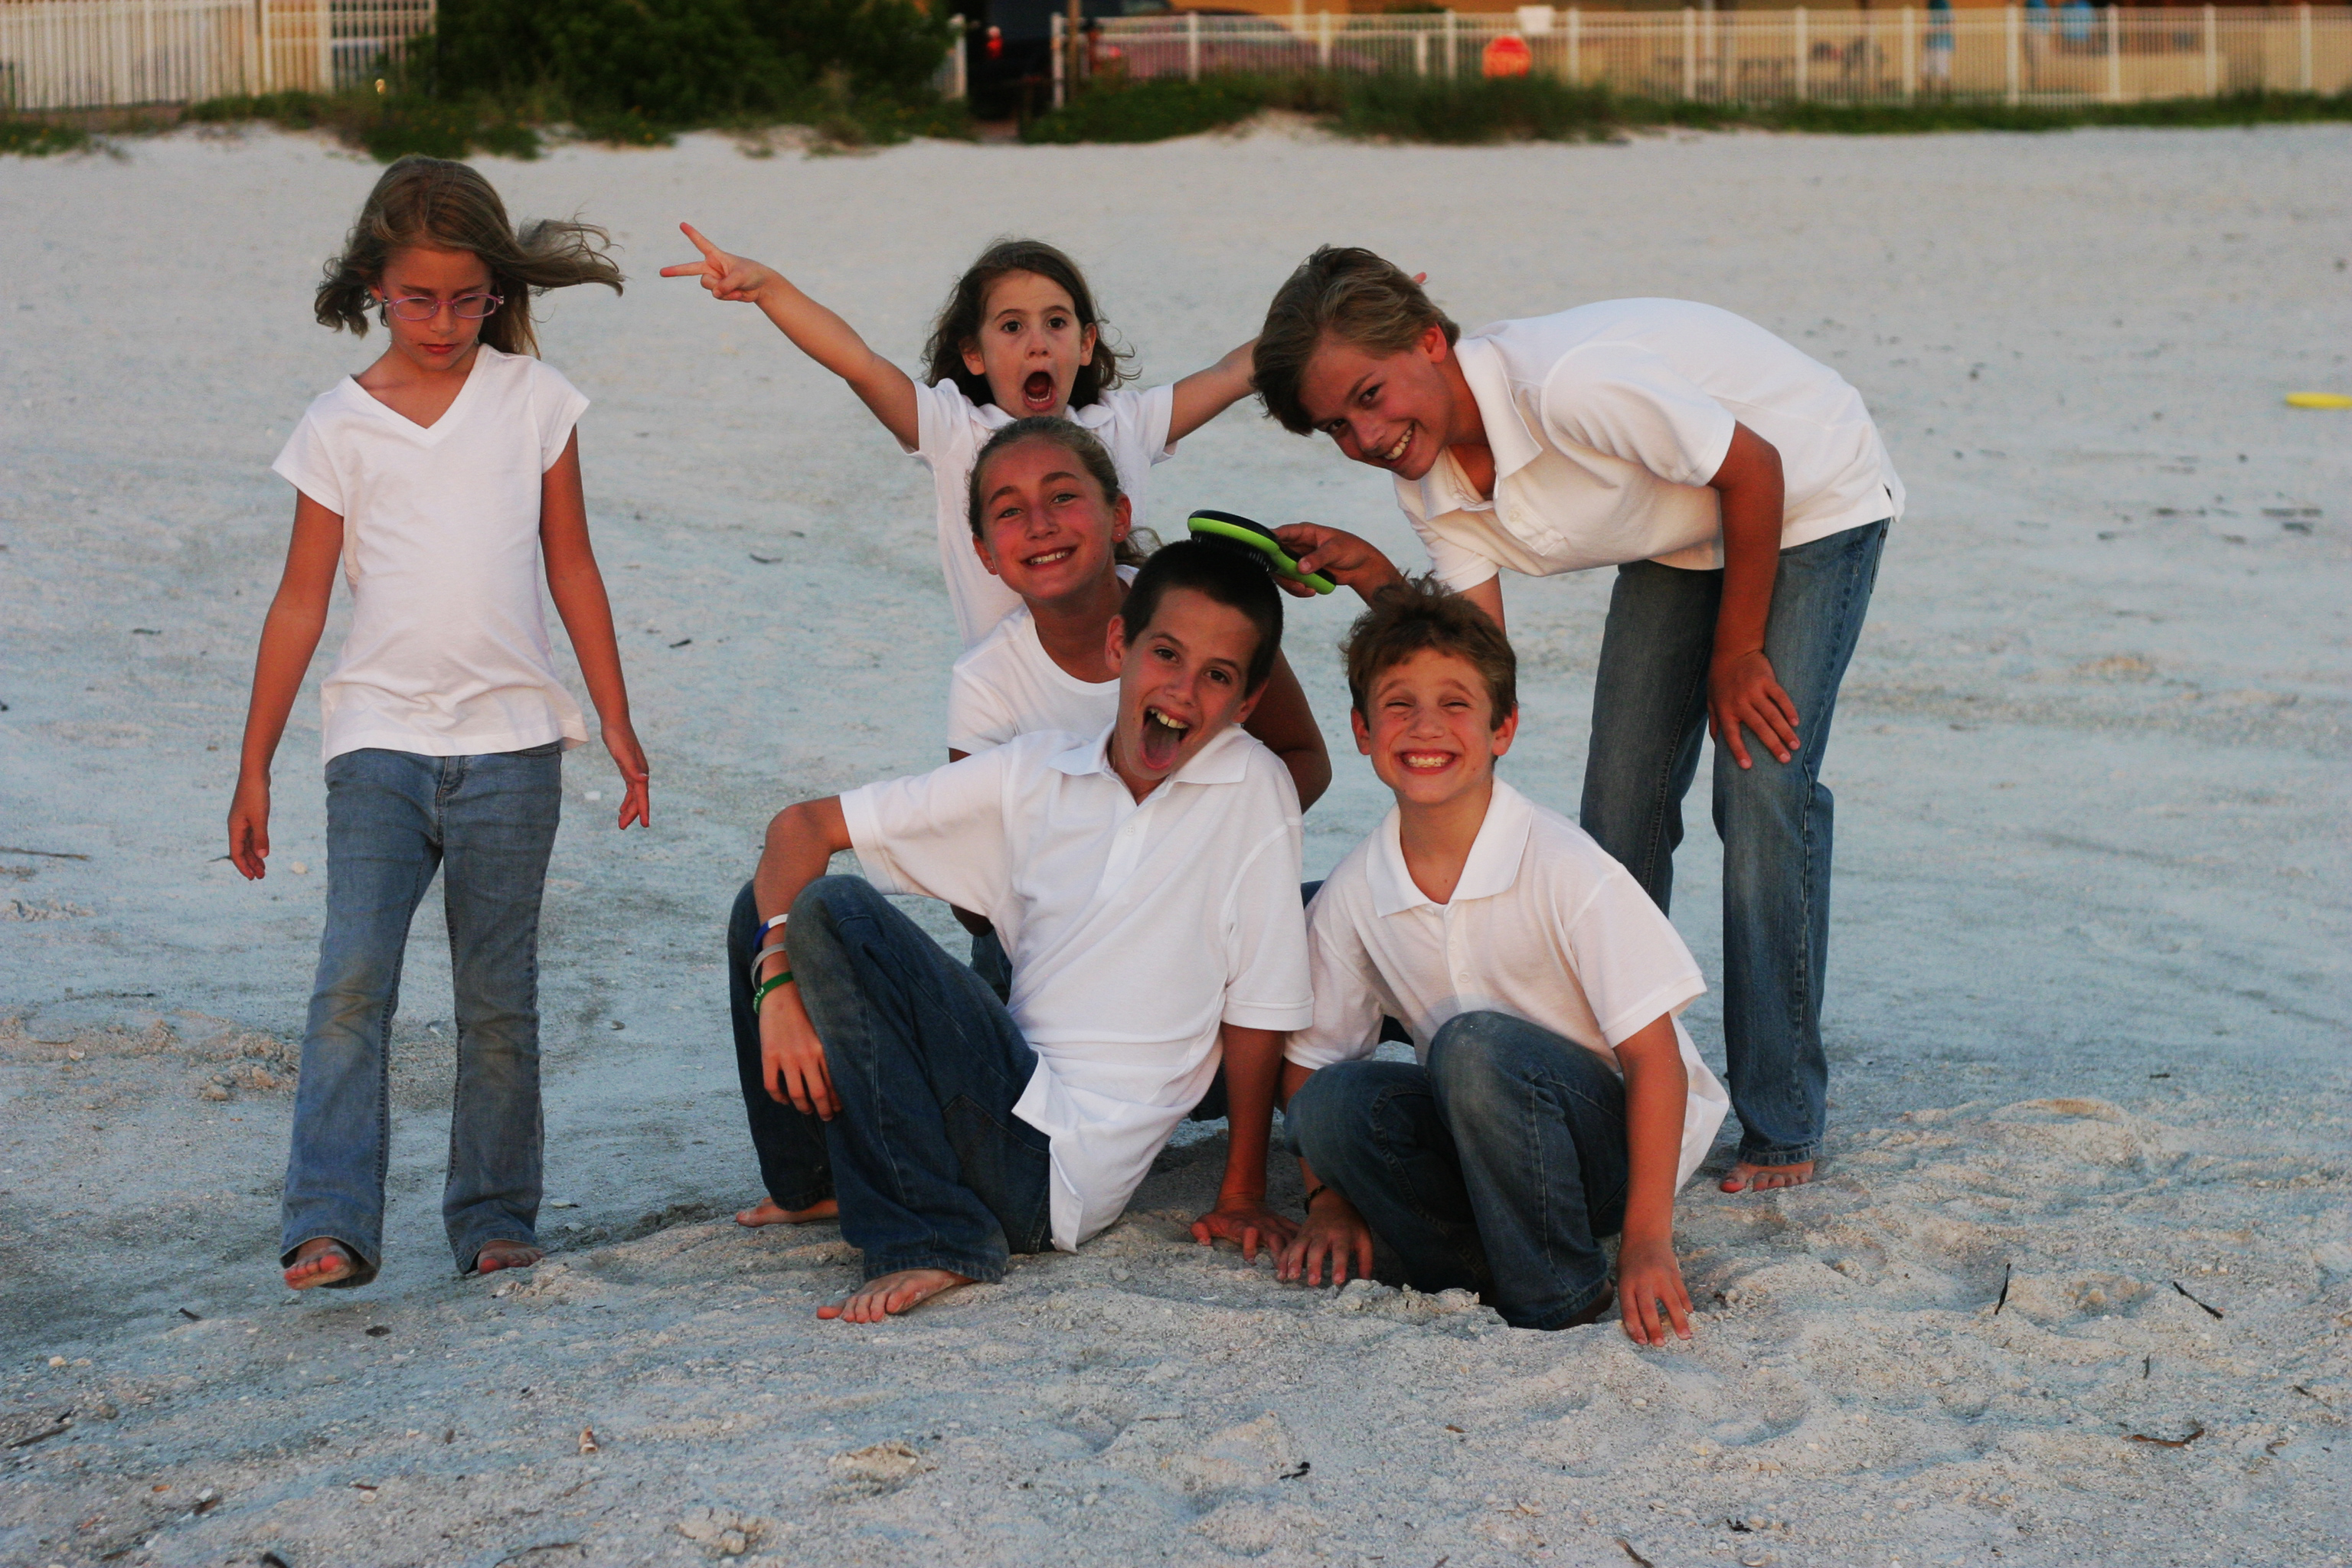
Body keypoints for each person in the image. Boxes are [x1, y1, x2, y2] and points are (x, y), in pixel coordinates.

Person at [1252, 247, 1900, 1197]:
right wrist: (1373, 574)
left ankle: (1781, 1117)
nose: (1368, 434)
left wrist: (1738, 650)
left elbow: (1754, 466)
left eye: (1371, 396)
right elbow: (1474, 667)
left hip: (1802, 492)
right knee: (1621, 803)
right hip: (1682, 530)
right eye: (1337, 426)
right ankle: (1611, 1081)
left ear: (1429, 343)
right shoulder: (1429, 484)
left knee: (1760, 782)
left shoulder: (1568, 385)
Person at [724, 421, 1331, 1231]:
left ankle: (928, 1231)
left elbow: (1261, 990)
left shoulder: (1235, 741)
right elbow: (865, 858)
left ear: (1117, 515)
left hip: (1094, 1092)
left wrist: (1195, 855)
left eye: (1063, 498)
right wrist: (777, 985)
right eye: (1011, 511)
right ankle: (816, 1181)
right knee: (774, 907)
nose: (1184, 687)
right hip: (1029, 979)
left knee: (837, 912)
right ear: (1122, 648)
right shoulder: (1022, 739)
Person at [228, 156, 649, 1292]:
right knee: (351, 982)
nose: (445, 321)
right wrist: (254, 763)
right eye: (419, 297)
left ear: (496, 290)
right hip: (375, 744)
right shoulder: (337, 425)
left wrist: (615, 717)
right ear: (375, 283)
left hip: (513, 746)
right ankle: (329, 1220)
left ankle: (495, 1216)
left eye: (469, 298)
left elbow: (572, 563)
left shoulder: (535, 401)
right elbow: (300, 600)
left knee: (497, 998)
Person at [1276, 580, 1726, 1341]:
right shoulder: (1355, 892)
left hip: (1612, 1157)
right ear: (1361, 729)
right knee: (1332, 1102)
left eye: (1455, 703)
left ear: (1502, 728)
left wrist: (1648, 1239)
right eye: (1398, 704)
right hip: (1484, 1150)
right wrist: (1329, 1201)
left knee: (1473, 1045)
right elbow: (1311, 1067)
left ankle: (1559, 1294)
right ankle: (1476, 1267)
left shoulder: (1565, 867)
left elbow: (1655, 1060)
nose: (1426, 726)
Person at [662, 228, 1257, 649]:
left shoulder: (1121, 424)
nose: (1037, 343)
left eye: (1056, 322)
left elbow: (1234, 373)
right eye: (1012, 326)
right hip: (1011, 707)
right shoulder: (956, 431)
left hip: (1117, 691)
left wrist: (1308, 323)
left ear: (1085, 343)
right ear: (973, 354)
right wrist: (769, 289)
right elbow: (858, 363)